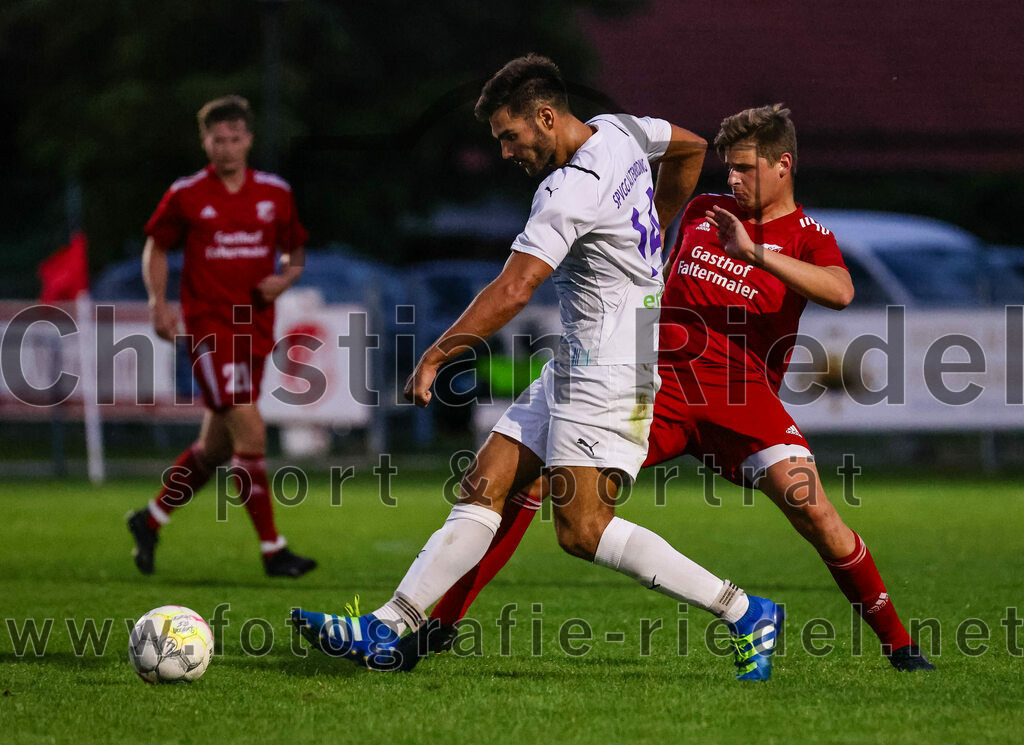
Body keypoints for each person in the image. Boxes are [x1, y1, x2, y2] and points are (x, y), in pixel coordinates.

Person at [292, 55, 784, 681]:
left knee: (582, 532)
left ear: (546, 117)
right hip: (582, 362)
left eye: (509, 136)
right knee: (485, 483)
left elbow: (515, 288)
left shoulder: (566, 188)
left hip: (605, 372)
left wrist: (440, 351)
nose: (504, 152)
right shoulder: (623, 130)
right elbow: (689, 147)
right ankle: (384, 628)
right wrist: (657, 229)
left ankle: (743, 609)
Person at [410, 104, 935, 672]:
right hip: (653, 384)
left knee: (815, 511)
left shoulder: (810, 237)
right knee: (533, 481)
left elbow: (840, 291)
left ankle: (899, 646)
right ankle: (440, 624)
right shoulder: (706, 211)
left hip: (740, 397)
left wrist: (756, 254)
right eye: (728, 168)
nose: (731, 181)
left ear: (784, 165)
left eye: (745, 169)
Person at [126, 95, 317, 579]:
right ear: (205, 141)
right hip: (210, 329)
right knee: (251, 431)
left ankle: (149, 520)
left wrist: (284, 279)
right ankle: (274, 550)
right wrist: (158, 302)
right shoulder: (187, 193)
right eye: (217, 139)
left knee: (214, 448)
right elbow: (155, 246)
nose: (226, 148)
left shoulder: (275, 193)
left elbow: (295, 252)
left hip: (256, 329)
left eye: (235, 138)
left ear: (248, 139)